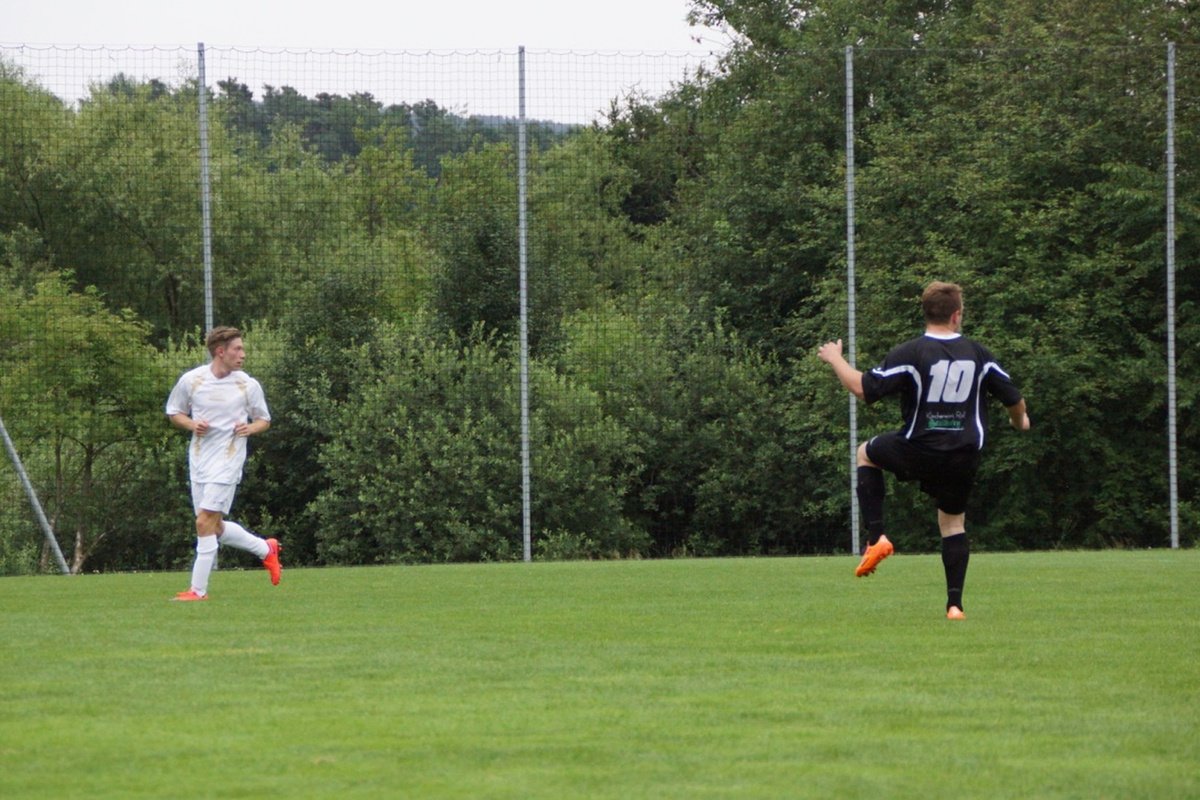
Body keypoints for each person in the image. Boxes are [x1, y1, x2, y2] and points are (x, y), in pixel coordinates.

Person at [817, 281, 1029, 620]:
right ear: (956, 315)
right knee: (953, 524)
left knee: (865, 453)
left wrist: (835, 358)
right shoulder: (979, 354)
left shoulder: (912, 353)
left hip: (920, 449)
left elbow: (862, 389)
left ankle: (876, 537)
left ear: (926, 313)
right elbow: (1014, 399)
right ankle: (955, 606)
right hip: (963, 455)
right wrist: (1020, 422)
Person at [166, 326, 280, 601]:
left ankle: (198, 590)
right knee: (214, 526)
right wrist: (192, 424)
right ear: (220, 352)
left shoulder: (248, 385)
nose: (243, 354)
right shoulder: (192, 380)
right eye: (237, 349)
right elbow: (174, 412)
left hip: (228, 461)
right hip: (199, 461)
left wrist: (250, 428)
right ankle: (266, 549)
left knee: (204, 522)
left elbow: (264, 420)